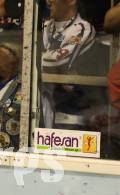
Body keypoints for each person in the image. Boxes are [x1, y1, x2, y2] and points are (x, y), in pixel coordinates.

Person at [40, 0, 96, 130]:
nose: (48, 1)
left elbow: (54, 61)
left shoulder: (82, 28)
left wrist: (37, 56)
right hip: (39, 103)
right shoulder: (43, 26)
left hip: (69, 111)